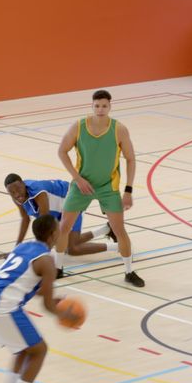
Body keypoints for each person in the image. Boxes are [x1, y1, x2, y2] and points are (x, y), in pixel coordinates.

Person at [0, 215, 77, 383]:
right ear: (53, 234)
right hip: (1, 306)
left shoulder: (24, 247)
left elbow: (24, 282)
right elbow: (47, 306)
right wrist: (63, 314)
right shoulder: (47, 261)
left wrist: (50, 297)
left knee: (24, 350)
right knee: (40, 350)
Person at [55, 89, 144, 287]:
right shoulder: (78, 126)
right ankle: (58, 268)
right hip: (82, 185)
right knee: (63, 227)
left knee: (119, 230)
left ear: (110, 106)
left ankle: (129, 272)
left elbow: (130, 159)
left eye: (104, 106)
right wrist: (77, 179)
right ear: (92, 106)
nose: (100, 109)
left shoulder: (119, 129)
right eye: (97, 106)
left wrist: (128, 191)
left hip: (108, 187)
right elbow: (61, 151)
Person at [0, 174, 118, 272]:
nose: (17, 194)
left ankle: (119, 247)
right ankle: (106, 229)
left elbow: (45, 225)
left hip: (71, 199)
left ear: (23, 184)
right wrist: (16, 249)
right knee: (65, 244)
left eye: (18, 189)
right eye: (12, 192)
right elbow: (25, 219)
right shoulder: (17, 197)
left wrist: (29, 254)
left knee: (72, 249)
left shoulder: (39, 193)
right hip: (57, 211)